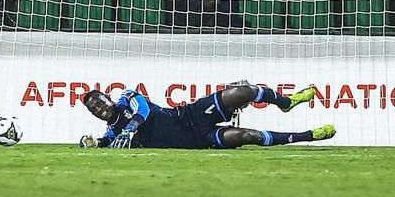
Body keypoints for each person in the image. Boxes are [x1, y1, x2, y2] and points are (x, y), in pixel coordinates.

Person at [78, 84, 336, 149]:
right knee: (249, 136)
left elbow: (143, 110)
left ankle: (286, 102)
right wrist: (90, 143)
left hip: (192, 114)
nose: (98, 109)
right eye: (93, 110)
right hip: (200, 140)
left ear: (108, 99)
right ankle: (310, 136)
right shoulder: (113, 133)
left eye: (99, 103)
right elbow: (104, 142)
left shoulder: (127, 98)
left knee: (243, 92)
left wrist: (131, 128)